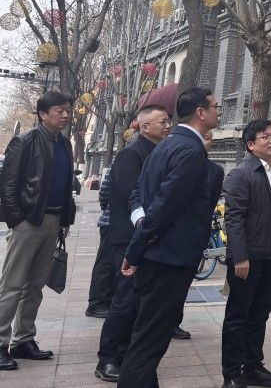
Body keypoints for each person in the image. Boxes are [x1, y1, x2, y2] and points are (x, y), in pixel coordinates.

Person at [116, 87, 223, 388]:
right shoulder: (190, 150)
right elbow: (165, 206)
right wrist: (136, 249)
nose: (218, 111)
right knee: (150, 341)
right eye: (215, 106)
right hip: (170, 258)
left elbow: (140, 195)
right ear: (200, 112)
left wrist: (139, 244)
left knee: (147, 337)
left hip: (158, 255)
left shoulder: (166, 145)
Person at [93, 105, 171, 381]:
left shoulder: (159, 151)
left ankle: (126, 355)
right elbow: (130, 196)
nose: (167, 125)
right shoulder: (132, 154)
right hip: (127, 237)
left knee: (137, 301)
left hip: (145, 237)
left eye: (168, 121)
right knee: (124, 300)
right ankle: (108, 359)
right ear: (145, 127)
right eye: (162, 121)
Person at [0, 90, 76, 370]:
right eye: (59, 110)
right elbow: (7, 185)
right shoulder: (24, 141)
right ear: (43, 114)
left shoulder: (64, 144)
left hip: (53, 221)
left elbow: (65, 184)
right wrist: (17, 220)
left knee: (35, 285)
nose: (65, 115)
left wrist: (65, 220)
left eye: (67, 110)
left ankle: (23, 340)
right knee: (12, 285)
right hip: (28, 222)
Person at [220, 120, 271, 388]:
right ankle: (232, 374)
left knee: (261, 311)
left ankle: (252, 366)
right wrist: (240, 257)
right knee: (238, 314)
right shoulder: (241, 174)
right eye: (266, 137)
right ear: (251, 145)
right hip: (248, 256)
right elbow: (234, 219)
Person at [86, 166, 116, 318]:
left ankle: (106, 301)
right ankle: (97, 304)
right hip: (111, 221)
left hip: (113, 219)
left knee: (109, 264)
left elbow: (104, 192)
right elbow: (104, 191)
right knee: (105, 264)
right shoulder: (122, 159)